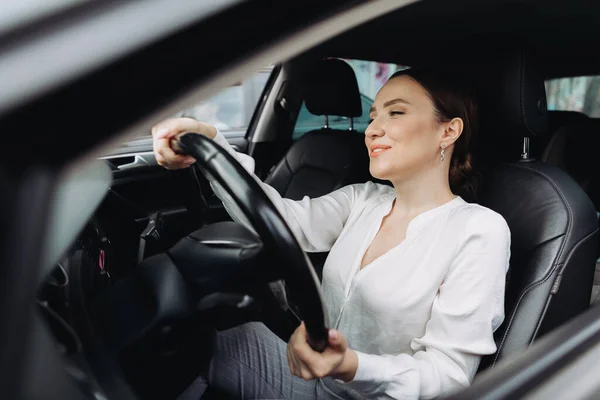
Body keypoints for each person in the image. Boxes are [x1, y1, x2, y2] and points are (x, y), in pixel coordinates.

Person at [152, 67, 511, 400]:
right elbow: (280, 220)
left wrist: (350, 365)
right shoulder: (363, 198)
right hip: (318, 383)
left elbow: (449, 374)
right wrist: (213, 144)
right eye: (373, 117)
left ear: (448, 131)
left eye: (395, 113)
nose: (372, 130)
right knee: (205, 341)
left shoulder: (478, 230)